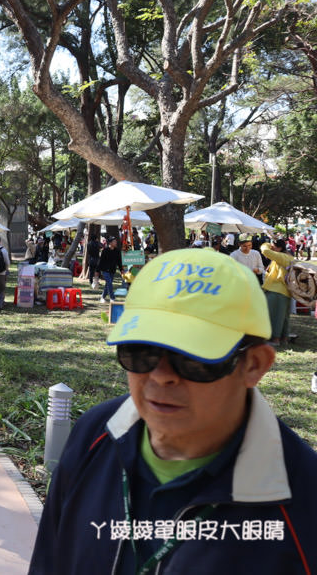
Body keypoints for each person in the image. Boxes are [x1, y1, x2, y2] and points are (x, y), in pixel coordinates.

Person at [29, 248, 317, 574]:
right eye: (140, 350)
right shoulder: (95, 433)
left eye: (193, 357)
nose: (161, 376)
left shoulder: (305, 500)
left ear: (254, 365)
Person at [260, 238, 294, 347]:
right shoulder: (286, 256)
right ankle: (284, 338)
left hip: (277, 291)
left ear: (279, 248)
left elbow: (265, 251)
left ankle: (275, 340)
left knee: (275, 316)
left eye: (274, 246)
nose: (272, 248)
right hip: (284, 291)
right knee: (283, 317)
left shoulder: (282, 257)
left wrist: (267, 244)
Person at [98, 236, 122, 303]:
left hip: (112, 270)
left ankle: (102, 297)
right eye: (114, 241)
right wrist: (98, 271)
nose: (116, 242)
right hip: (105, 270)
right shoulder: (105, 251)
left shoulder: (117, 251)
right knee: (109, 283)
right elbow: (101, 261)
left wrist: (121, 269)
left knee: (108, 284)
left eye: (116, 241)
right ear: (110, 243)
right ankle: (112, 298)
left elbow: (119, 261)